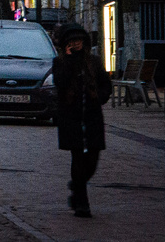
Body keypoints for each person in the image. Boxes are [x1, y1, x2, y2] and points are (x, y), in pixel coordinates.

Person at [52, 22, 111, 218]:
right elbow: (60, 83)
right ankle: (82, 203)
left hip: (92, 117)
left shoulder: (93, 62)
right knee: (78, 158)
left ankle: (77, 185)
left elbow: (105, 85)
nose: (76, 44)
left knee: (92, 160)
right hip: (72, 118)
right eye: (72, 41)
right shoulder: (60, 62)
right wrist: (68, 61)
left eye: (78, 40)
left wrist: (99, 97)